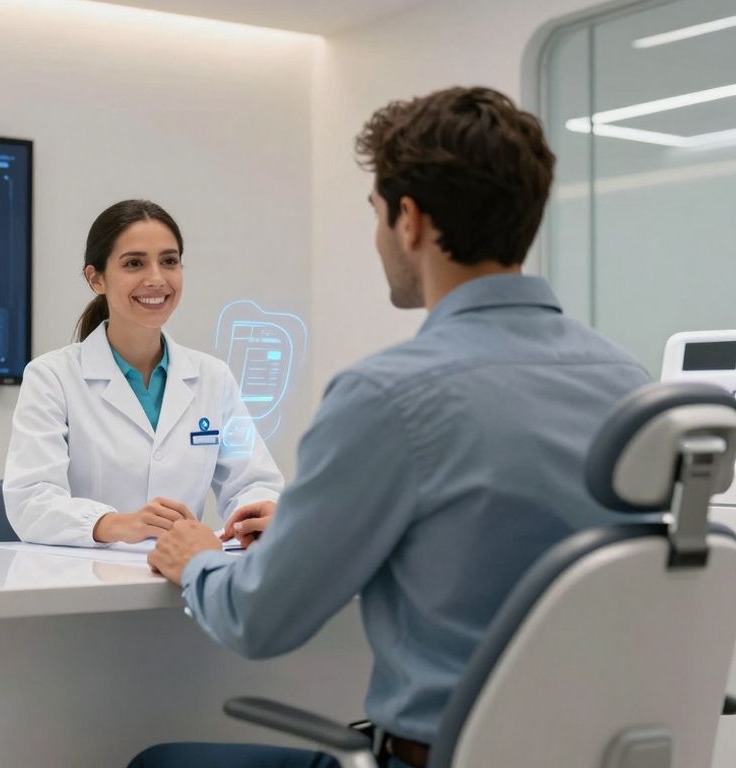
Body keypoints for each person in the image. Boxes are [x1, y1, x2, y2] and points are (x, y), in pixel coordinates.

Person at [137, 86, 653, 768]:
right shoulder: (633, 385)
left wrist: (196, 557)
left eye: (377, 214)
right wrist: (308, 518)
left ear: (409, 221)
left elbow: (257, 620)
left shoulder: (387, 396)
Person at [3, 199, 284, 547]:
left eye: (169, 261)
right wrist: (118, 524)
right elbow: (30, 501)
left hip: (184, 578)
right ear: (96, 279)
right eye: (134, 263)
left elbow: (252, 481)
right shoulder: (52, 377)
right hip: (84, 580)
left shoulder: (213, 377)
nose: (156, 278)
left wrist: (254, 516)